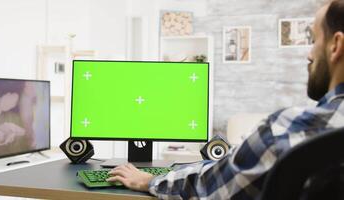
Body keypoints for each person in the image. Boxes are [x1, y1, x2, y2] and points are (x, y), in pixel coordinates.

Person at [107, 0, 344, 199]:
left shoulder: (288, 130)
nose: (309, 53)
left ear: (336, 46)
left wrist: (151, 181)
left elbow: (212, 185)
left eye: (314, 40)